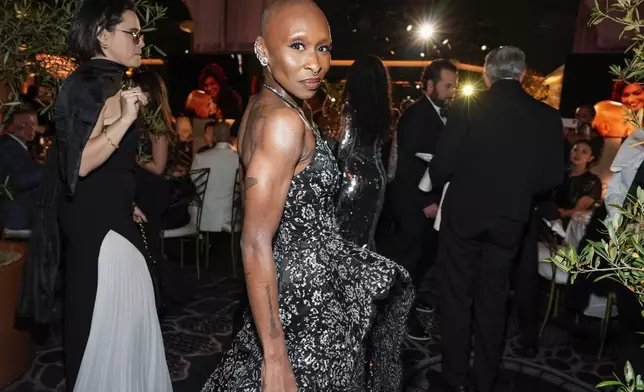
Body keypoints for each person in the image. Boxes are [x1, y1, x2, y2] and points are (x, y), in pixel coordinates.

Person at [201, 1, 413, 391]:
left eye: (324, 47)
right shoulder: (282, 122)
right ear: (263, 49)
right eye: (297, 46)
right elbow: (253, 240)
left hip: (293, 287)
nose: (316, 63)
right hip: (304, 303)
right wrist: (275, 357)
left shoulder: (266, 106)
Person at [16, 1, 172, 391]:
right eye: (131, 34)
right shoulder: (89, 83)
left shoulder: (104, 81)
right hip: (96, 224)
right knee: (110, 317)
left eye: (141, 34)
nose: (140, 42)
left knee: (125, 314)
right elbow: (80, 162)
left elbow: (104, 162)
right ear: (103, 35)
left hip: (108, 213)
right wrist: (123, 121)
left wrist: (125, 199)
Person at [429, 46, 563, 392]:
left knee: (457, 297)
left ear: (487, 75)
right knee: (494, 299)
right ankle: (484, 379)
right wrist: (516, 187)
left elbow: (442, 166)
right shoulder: (547, 117)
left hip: (464, 218)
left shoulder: (466, 108)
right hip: (510, 220)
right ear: (521, 75)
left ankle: (453, 376)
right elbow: (552, 179)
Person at [385, 59, 458, 340]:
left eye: (454, 85)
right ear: (429, 85)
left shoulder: (441, 112)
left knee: (424, 256)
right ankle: (401, 315)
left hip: (429, 199)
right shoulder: (416, 115)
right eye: (447, 85)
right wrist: (425, 200)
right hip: (412, 201)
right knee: (409, 259)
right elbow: (408, 164)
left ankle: (410, 302)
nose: (452, 91)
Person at [335, 54, 393, 250]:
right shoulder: (387, 112)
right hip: (377, 179)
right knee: (366, 238)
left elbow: (344, 149)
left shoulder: (350, 110)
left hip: (352, 178)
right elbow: (390, 159)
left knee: (344, 238)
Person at [0, 106, 42, 230]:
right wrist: (51, 169)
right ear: (10, 126)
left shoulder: (15, 145)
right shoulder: (8, 146)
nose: (31, 129)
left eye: (34, 124)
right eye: (24, 124)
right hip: (15, 216)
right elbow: (18, 180)